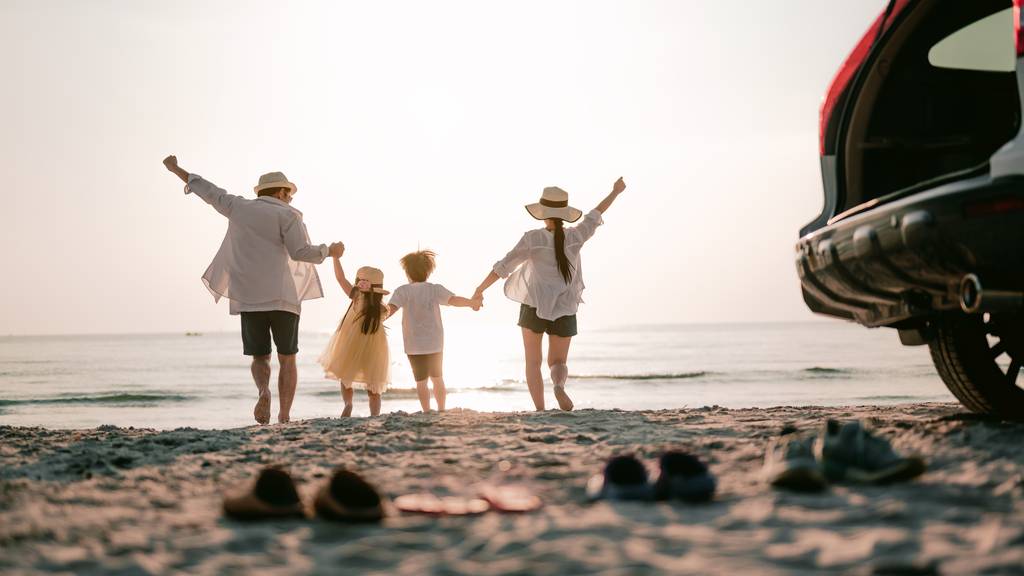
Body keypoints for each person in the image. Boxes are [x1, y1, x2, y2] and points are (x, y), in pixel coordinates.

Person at [162, 155, 343, 425]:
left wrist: (177, 169)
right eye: (289, 194)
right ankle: (283, 415)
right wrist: (329, 251)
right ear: (281, 192)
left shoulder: (237, 206)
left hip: (248, 296)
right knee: (287, 357)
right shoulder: (288, 214)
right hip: (283, 297)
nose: (291, 199)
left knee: (260, 356)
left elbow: (208, 191)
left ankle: (263, 390)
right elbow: (300, 252)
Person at [473, 177, 627, 411]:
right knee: (558, 362)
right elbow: (595, 214)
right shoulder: (576, 236)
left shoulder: (533, 239)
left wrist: (480, 289)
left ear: (543, 213)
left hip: (534, 304)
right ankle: (558, 385)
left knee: (533, 363)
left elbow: (503, 267)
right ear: (564, 214)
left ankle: (540, 410)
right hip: (565, 307)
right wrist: (615, 191)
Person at [386, 250, 482, 412]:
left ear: (407, 272)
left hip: (413, 345)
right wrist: (472, 303)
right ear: (428, 271)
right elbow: (455, 300)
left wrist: (374, 319)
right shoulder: (435, 289)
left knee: (420, 381)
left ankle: (426, 410)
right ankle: (441, 409)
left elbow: (390, 310)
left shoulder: (402, 291)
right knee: (438, 378)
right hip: (435, 343)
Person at [319, 259, 391, 417]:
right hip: (375, 346)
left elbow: (340, 278)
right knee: (374, 383)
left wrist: (336, 258)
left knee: (346, 375)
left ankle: (348, 403)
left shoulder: (356, 296)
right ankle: (374, 415)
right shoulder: (382, 308)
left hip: (352, 342)